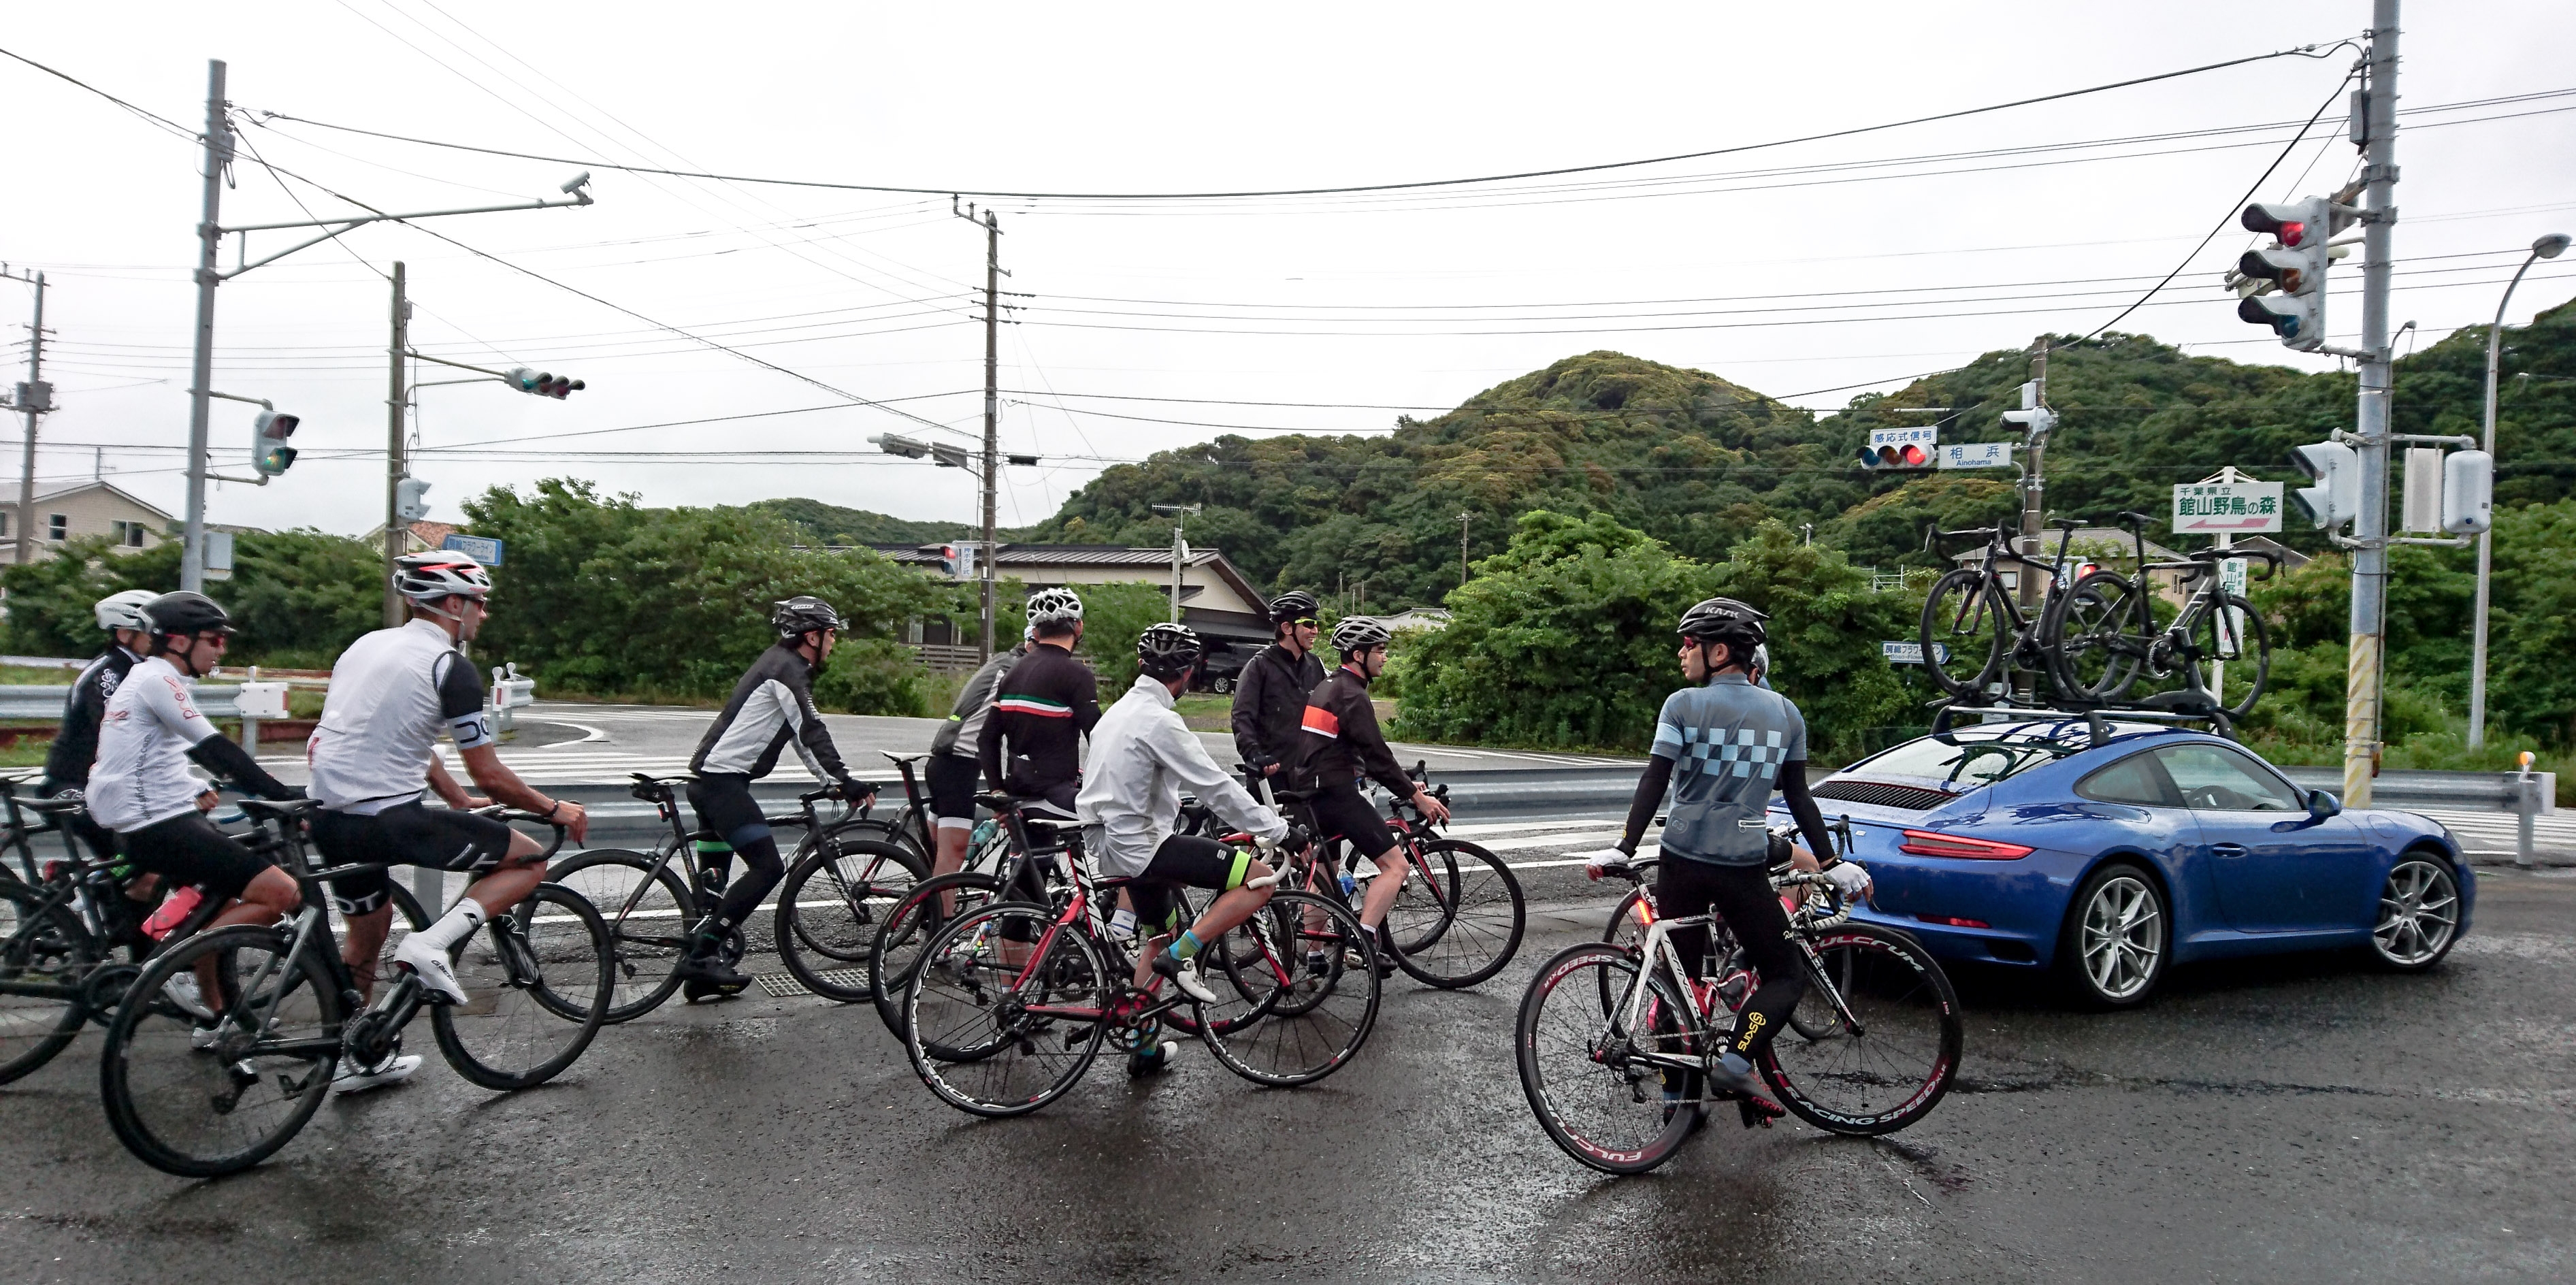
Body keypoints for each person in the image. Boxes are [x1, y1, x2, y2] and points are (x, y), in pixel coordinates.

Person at [308, 552, 591, 1091]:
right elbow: (491, 774)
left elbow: (402, 737)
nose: (483, 615)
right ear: (454, 604)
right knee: (529, 858)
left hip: (328, 816)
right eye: (479, 604)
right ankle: (432, 945)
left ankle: (352, 1052)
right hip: (388, 819)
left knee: (366, 935)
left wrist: (455, 799)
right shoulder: (450, 667)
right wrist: (555, 809)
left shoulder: (366, 646)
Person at [1580, 598, 1868, 1115]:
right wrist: (1829, 863)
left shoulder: (1682, 705)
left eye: (1687, 644)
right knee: (1783, 975)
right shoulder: (1785, 712)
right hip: (1740, 865)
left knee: (1677, 984)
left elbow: (1656, 778)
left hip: (1681, 861)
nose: (1680, 653)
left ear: (1717, 652)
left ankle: (1678, 1103)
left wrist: (1624, 846)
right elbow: (1800, 797)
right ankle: (1737, 1058)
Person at [85, 593, 306, 1051]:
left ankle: (216, 1014)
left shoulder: (150, 676)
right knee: (280, 893)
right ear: (179, 641)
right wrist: (282, 794)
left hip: (156, 817)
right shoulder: (156, 679)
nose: (222, 649)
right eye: (215, 639)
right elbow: (215, 749)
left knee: (220, 906)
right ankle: (169, 966)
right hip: (158, 824)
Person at [1075, 623, 1290, 1074]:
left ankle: (1144, 1048)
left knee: (1155, 937)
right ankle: (1186, 953)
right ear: (1191, 672)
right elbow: (1213, 785)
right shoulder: (1159, 720)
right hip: (1144, 845)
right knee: (1258, 879)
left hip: (1111, 843)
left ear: (1141, 666)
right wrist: (1275, 828)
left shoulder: (1118, 713)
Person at [674, 595, 879, 998]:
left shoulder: (777, 663)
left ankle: (702, 970)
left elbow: (800, 740)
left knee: (716, 884)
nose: (834, 643)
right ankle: (699, 959)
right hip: (722, 785)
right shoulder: (788, 670)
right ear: (812, 635)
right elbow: (812, 730)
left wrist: (831, 781)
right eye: (832, 635)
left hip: (712, 782)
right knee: (768, 868)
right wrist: (847, 782)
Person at [1284, 616, 1450, 974]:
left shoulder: (1328, 686)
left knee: (1324, 874)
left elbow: (1354, 748)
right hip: (1337, 794)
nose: (1385, 657)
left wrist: (1401, 779)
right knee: (1396, 866)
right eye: (1380, 650)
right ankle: (1366, 938)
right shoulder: (1352, 694)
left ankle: (1315, 954)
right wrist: (1416, 797)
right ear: (1358, 655)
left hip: (1311, 793)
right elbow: (1374, 754)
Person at [42, 589, 163, 928]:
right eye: (151, 632)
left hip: (97, 785)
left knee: (140, 861)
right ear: (125, 634)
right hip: (70, 787)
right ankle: (132, 953)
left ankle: (86, 882)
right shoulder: (109, 674)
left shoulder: (137, 670)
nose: (160, 639)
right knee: (144, 858)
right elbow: (118, 736)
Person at [976, 587, 1098, 814]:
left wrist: (997, 792)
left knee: (1030, 850)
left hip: (1015, 793)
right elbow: (1099, 738)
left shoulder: (1013, 671)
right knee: (1115, 820)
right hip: (1054, 792)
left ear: (1036, 633)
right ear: (1079, 627)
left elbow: (986, 738)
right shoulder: (1077, 675)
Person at [925, 625, 1030, 885]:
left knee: (934, 857)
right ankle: (942, 924)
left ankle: (927, 915)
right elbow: (1016, 732)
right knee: (953, 856)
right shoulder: (1015, 672)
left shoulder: (1002, 663)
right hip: (959, 762)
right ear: (1029, 646)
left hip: (945, 760)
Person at [1228, 589, 1324, 800]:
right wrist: (1254, 755)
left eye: (1317, 625)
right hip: (1270, 773)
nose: (1315, 631)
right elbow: (1242, 715)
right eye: (1309, 624)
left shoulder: (1315, 665)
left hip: (1305, 773)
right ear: (1287, 628)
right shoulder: (1259, 666)